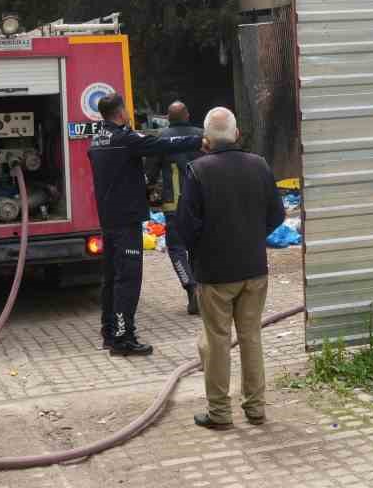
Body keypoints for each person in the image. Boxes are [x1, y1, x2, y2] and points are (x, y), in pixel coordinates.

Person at [176, 107, 284, 431]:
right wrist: (251, 236)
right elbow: (277, 215)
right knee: (251, 338)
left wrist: (204, 248)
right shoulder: (260, 165)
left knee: (217, 341)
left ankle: (220, 413)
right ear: (237, 135)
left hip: (215, 273)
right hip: (254, 269)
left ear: (206, 140)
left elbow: (185, 226)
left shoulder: (197, 170)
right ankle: (256, 409)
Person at [87, 93, 201, 356]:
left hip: (108, 220)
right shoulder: (125, 139)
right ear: (120, 112)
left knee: (111, 278)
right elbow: (162, 143)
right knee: (128, 280)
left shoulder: (97, 139)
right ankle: (124, 339)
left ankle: (109, 333)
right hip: (126, 220)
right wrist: (198, 140)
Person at [154, 102, 204, 315]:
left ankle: (190, 287)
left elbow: (150, 171)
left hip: (173, 205)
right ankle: (201, 290)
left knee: (176, 250)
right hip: (200, 205)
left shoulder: (161, 138)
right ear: (188, 114)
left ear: (168, 117)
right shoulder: (201, 136)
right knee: (198, 247)